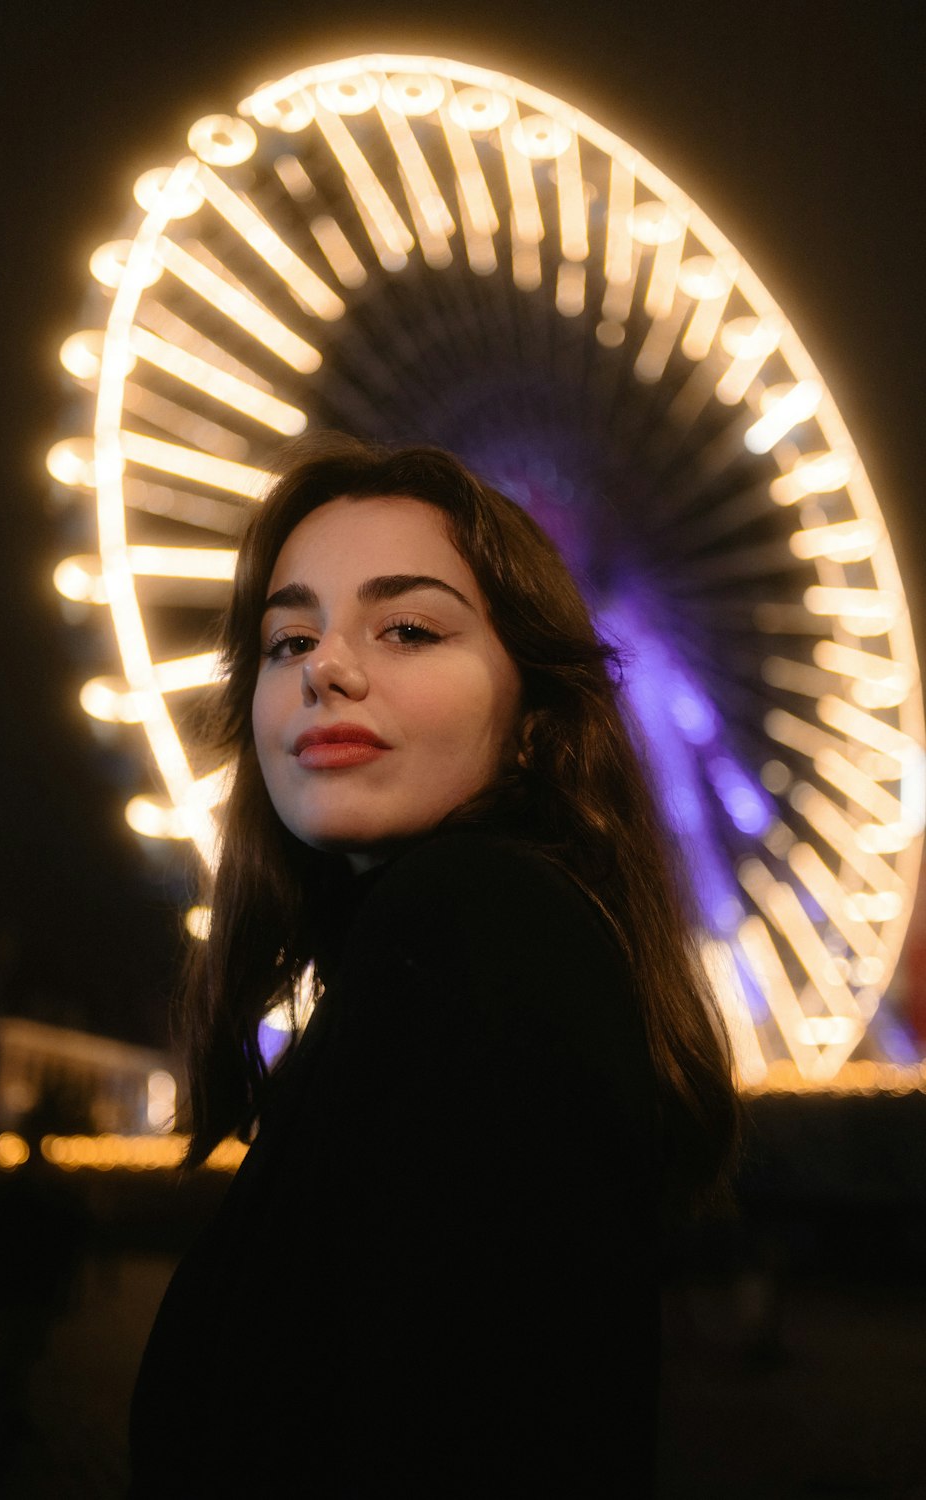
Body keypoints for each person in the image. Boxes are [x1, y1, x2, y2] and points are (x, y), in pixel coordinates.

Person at [129, 434, 740, 1497]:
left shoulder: (473, 922)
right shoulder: (478, 942)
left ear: (534, 716)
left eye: (408, 628)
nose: (327, 666)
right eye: (286, 640)